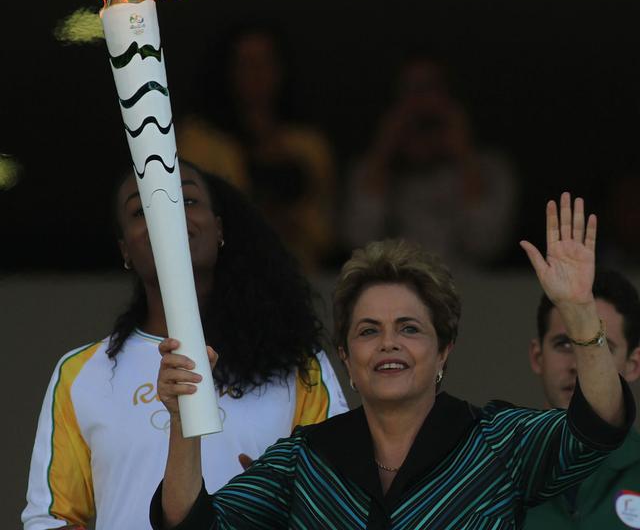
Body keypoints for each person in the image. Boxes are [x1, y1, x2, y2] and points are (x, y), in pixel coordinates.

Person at [151, 192, 635, 529]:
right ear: (346, 356)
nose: (389, 343)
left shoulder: (497, 442)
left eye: (410, 328)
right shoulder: (303, 461)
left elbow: (597, 424)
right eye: (368, 331)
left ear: (443, 350)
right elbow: (189, 523)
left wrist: (578, 314)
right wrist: (182, 418)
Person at [22, 162, 347, 530]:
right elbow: (50, 519)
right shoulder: (82, 373)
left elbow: (337, 501)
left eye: (187, 199)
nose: (166, 211)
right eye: (141, 209)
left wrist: (284, 503)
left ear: (219, 229)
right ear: (124, 249)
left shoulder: (298, 365)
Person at [178, 24, 336, 270]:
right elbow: (187, 215)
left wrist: (295, 224)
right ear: (227, 71)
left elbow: (327, 226)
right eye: (246, 63)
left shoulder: (309, 143)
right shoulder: (200, 140)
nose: (257, 73)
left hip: (299, 276)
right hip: (225, 276)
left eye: (266, 62)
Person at [343, 54, 516, 270]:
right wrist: (383, 151)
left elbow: (486, 245)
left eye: (430, 89)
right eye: (411, 90)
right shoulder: (368, 171)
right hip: (394, 291)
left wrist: (465, 157)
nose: (420, 104)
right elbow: (358, 241)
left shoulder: (490, 169)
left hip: (469, 291)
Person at [524, 268, 640, 529]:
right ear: (537, 356)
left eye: (600, 347)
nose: (580, 364)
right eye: (564, 344)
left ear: (633, 365)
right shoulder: (490, 466)